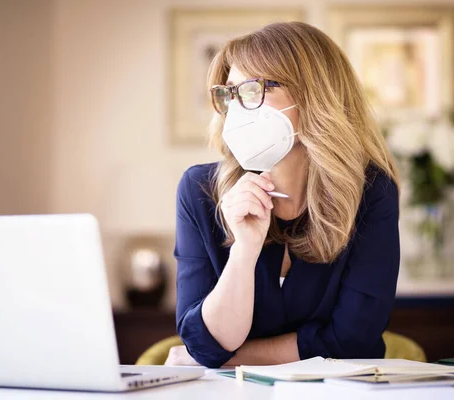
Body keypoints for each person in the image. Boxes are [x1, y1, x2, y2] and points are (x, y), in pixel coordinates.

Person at [165, 21, 400, 368]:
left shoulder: (370, 192)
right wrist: (244, 250)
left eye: (253, 89)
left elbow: (352, 339)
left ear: (314, 96)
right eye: (230, 93)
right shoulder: (200, 191)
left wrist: (232, 359)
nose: (237, 108)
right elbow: (207, 342)